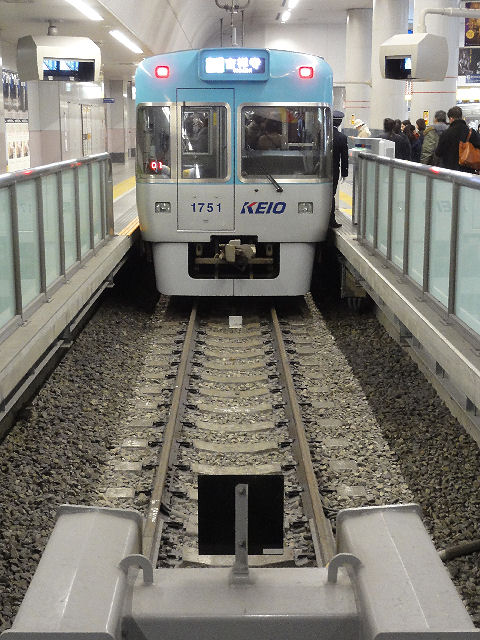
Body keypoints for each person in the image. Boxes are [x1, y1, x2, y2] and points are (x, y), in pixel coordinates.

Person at [435, 105, 480, 172]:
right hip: (467, 170)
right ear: (461, 117)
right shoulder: (471, 132)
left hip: (450, 171)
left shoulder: (446, 133)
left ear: (451, 118)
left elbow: (438, 152)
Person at [331, 110, 348, 229]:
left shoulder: (321, 134)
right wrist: (344, 173)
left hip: (319, 170)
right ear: (340, 122)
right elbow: (344, 157)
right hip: (334, 171)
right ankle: (331, 220)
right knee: (331, 194)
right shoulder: (342, 137)